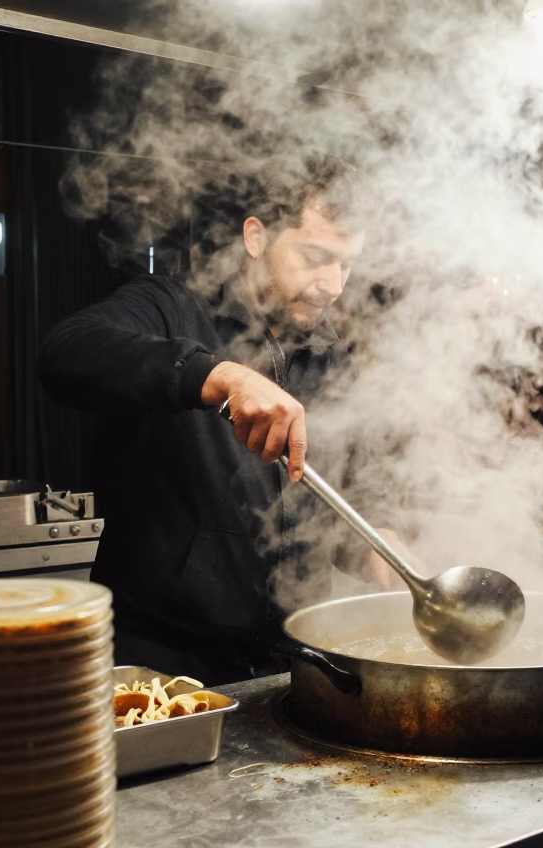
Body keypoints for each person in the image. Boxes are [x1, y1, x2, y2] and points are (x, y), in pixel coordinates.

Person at [38, 154, 415, 685]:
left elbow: (350, 492)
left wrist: (379, 542)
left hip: (294, 664)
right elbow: (65, 352)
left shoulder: (331, 357)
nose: (332, 285)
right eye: (314, 256)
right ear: (256, 237)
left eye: (347, 264)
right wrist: (218, 377)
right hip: (167, 669)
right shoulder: (171, 306)